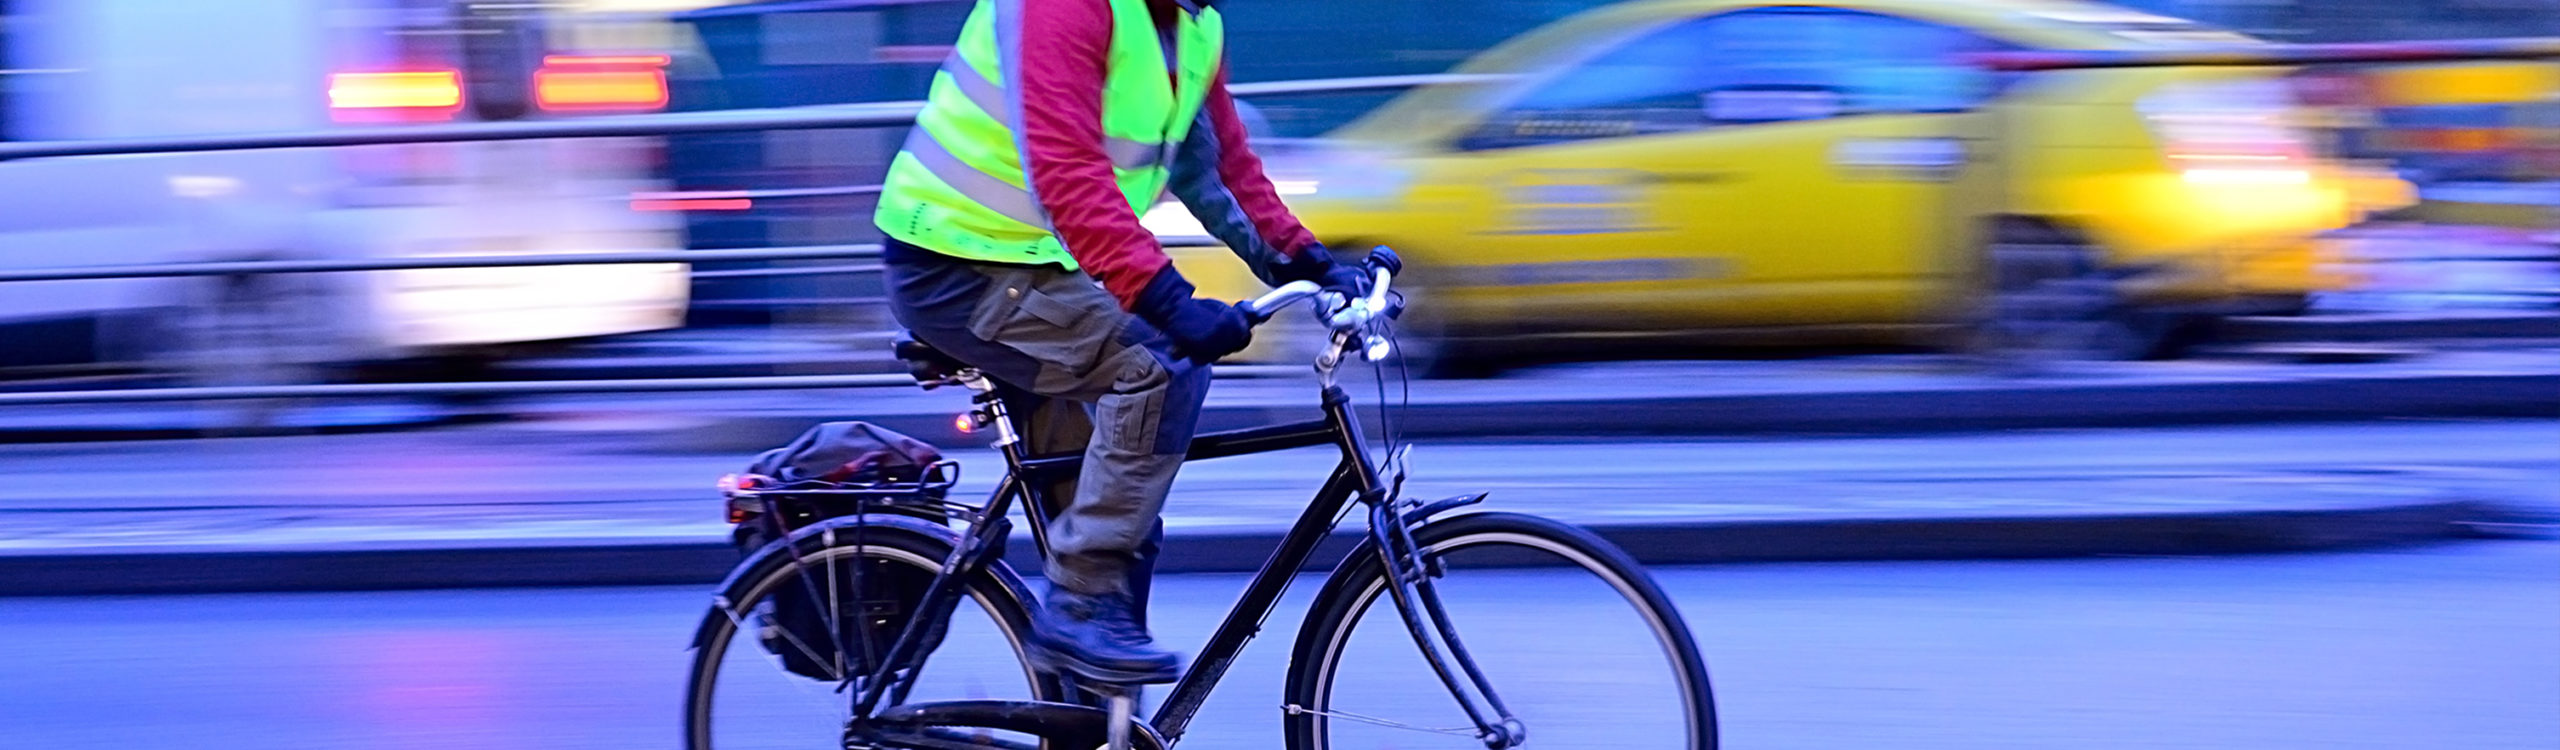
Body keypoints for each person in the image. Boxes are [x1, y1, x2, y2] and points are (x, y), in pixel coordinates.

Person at [873, 0, 1368, 684]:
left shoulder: (1194, 26)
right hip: (956, 264)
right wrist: (1170, 303)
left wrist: (1308, 262)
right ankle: (1075, 605)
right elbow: (1068, 173)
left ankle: (1088, 704)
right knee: (1159, 367)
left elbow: (1218, 167)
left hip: (1047, 268)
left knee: (1122, 517)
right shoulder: (1063, 8)